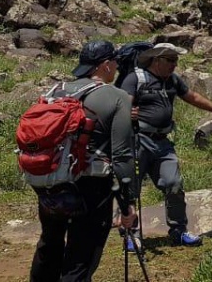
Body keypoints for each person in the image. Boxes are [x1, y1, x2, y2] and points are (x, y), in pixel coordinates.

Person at [30, 40, 138, 282]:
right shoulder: (117, 96)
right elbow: (122, 156)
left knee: (50, 242)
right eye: (115, 62)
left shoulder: (55, 90)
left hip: (50, 181)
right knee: (81, 256)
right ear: (106, 65)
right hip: (91, 187)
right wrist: (127, 204)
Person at [120, 42, 212, 246]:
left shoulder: (172, 80)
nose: (175, 65)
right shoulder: (135, 79)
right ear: (156, 60)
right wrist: (126, 113)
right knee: (131, 190)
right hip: (138, 140)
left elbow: (192, 97)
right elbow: (122, 103)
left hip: (163, 141)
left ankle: (178, 230)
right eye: (170, 60)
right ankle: (131, 234)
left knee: (174, 184)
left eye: (176, 60)